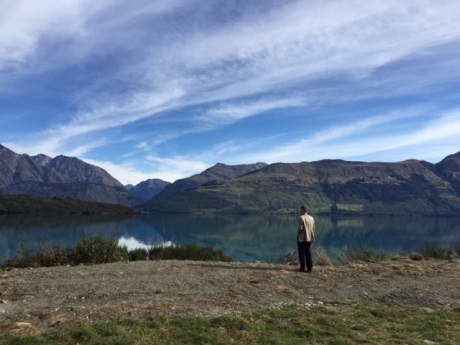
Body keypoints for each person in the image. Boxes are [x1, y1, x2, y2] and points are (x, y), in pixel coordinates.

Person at [297, 205, 315, 272]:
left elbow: (300, 228)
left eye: (300, 210)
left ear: (302, 210)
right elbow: (313, 228)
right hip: (309, 237)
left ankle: (302, 267)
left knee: (302, 252)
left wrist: (298, 234)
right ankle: (310, 268)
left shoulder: (301, 218)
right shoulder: (311, 218)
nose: (299, 211)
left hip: (302, 237)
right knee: (308, 252)